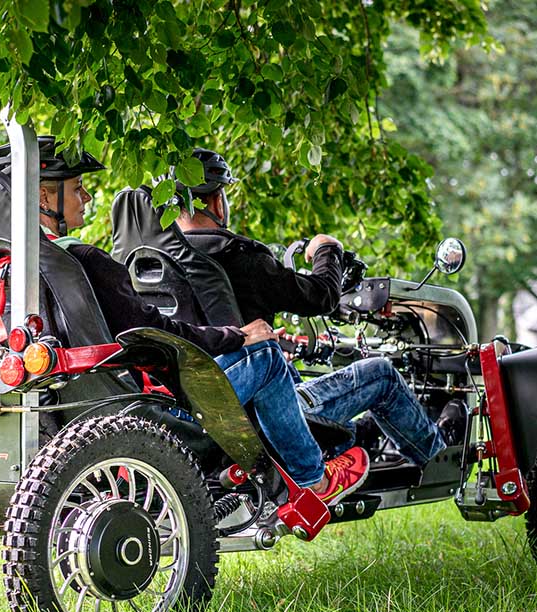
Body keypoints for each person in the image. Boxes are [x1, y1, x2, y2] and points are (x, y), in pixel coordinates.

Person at [27, 137, 369, 504]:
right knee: (266, 355)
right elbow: (156, 331)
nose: (88, 198)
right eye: (78, 188)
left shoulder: (28, 267)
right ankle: (313, 481)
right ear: (45, 199)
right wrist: (236, 337)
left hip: (74, 407)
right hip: (150, 408)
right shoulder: (87, 262)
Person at [175, 148, 466, 464]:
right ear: (218, 201)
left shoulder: (159, 260)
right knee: (381, 373)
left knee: (293, 371)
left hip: (200, 403)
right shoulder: (240, 258)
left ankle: (362, 436)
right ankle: (442, 458)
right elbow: (322, 296)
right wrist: (328, 249)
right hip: (265, 412)